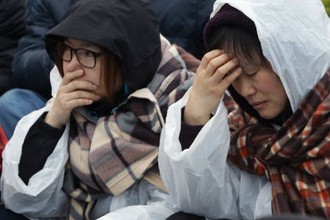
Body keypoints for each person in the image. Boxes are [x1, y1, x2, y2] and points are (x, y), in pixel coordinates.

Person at [0, 0, 197, 219]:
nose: (72, 66)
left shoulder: (178, 110)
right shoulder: (70, 103)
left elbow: (174, 206)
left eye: (87, 53)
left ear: (125, 61)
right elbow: (24, 201)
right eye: (67, 49)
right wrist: (53, 121)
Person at [159, 0, 330, 219]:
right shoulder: (246, 132)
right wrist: (196, 113)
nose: (245, 90)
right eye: (232, 77)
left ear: (293, 57)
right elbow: (200, 201)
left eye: (251, 72)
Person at [0, 0, 79, 140]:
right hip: (56, 93)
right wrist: (60, 59)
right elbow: (20, 64)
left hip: (113, 99)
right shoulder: (50, 3)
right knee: (11, 103)